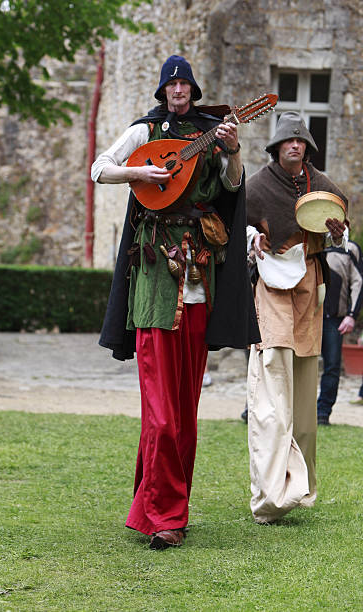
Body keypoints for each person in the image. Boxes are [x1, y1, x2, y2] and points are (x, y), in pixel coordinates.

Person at [91, 55, 260, 549]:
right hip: (152, 284)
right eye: (172, 84)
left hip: (197, 279)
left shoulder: (211, 131)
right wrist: (141, 175)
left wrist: (232, 151)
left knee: (184, 411)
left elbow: (231, 187)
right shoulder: (146, 132)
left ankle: (165, 509)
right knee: (160, 414)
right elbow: (100, 169)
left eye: (185, 84)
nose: (179, 91)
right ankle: (163, 513)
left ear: (194, 90)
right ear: (164, 90)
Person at [245, 111, 348, 524]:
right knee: (272, 378)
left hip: (309, 283)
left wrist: (338, 232)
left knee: (304, 391)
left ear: (307, 146)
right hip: (270, 284)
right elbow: (236, 226)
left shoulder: (319, 184)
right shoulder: (257, 186)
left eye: (301, 141)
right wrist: (253, 237)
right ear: (276, 146)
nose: (295, 146)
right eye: (288, 141)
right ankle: (269, 495)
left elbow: (340, 227)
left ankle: (299, 489)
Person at [317, 240, 363, 424]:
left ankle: (322, 413)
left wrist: (352, 315)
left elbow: (358, 282)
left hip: (334, 318)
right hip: (305, 317)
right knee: (296, 364)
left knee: (332, 367)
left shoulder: (350, 248)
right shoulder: (311, 241)